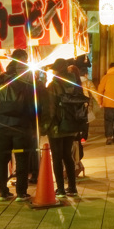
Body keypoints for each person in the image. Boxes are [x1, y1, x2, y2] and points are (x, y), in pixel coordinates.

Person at [0, 49, 37, 202]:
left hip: (1, 125)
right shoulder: (27, 79)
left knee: (2, 158)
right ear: (23, 59)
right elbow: (33, 104)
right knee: (22, 158)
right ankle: (21, 192)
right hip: (21, 125)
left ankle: (2, 190)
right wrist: (34, 125)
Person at [41, 58, 84, 198]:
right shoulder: (75, 84)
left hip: (57, 127)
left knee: (57, 157)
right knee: (68, 156)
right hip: (71, 125)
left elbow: (50, 109)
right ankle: (72, 187)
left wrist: (45, 126)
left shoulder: (54, 85)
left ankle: (60, 188)